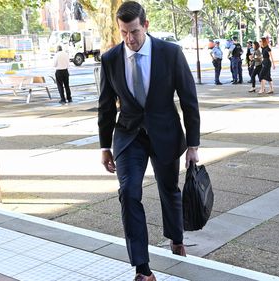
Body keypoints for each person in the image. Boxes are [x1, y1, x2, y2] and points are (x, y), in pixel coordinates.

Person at [98, 2, 200, 281]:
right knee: (129, 192)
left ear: (146, 24)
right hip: (129, 136)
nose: (130, 39)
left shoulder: (170, 53)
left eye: (134, 31)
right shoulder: (110, 59)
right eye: (123, 33)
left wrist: (193, 145)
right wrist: (105, 146)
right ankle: (142, 269)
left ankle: (176, 238)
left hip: (165, 133)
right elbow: (106, 106)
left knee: (169, 190)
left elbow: (189, 101)